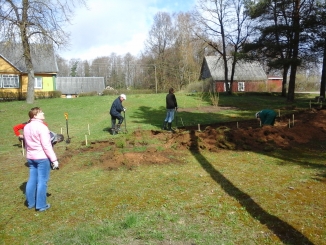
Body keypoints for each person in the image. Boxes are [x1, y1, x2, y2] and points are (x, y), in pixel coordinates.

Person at [23, 107, 59, 212]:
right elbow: (47, 146)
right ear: (34, 115)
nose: (43, 113)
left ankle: (31, 203)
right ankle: (41, 205)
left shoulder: (26, 127)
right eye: (40, 112)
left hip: (30, 158)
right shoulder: (42, 127)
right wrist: (54, 160)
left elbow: (26, 144)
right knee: (42, 181)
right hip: (42, 158)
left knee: (32, 180)